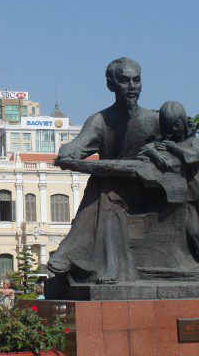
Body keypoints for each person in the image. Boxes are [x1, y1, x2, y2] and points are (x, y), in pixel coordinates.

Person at [47, 57, 160, 283]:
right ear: (111, 85)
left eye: (136, 80)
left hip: (147, 192)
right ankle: (88, 261)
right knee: (105, 187)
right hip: (111, 190)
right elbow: (78, 146)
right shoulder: (100, 120)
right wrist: (68, 151)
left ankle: (68, 253)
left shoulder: (154, 120)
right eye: (125, 81)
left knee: (105, 187)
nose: (132, 87)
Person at [139, 101, 199, 267]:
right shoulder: (165, 144)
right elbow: (145, 149)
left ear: (184, 121)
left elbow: (195, 156)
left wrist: (174, 148)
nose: (174, 130)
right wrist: (156, 152)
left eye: (176, 124)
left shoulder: (194, 142)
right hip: (183, 194)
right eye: (169, 126)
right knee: (193, 231)